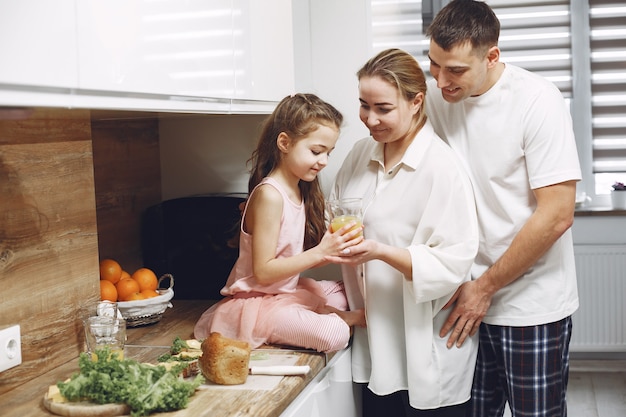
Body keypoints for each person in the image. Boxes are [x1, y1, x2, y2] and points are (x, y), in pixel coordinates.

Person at [425, 1, 582, 416]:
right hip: (463, 301)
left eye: (455, 70)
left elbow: (557, 215)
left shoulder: (537, 100)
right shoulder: (438, 96)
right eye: (433, 65)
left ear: (492, 56)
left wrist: (485, 288)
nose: (441, 81)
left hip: (532, 304)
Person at [328, 48, 479, 416]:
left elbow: (453, 260)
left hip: (426, 348)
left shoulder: (441, 168)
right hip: (372, 342)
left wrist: (379, 251)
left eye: (383, 108)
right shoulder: (360, 154)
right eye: (364, 105)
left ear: (416, 102)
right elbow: (333, 214)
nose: (370, 118)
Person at [193, 93, 365, 353]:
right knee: (334, 333)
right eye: (316, 151)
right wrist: (320, 252)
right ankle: (332, 320)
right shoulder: (270, 195)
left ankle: (319, 315)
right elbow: (263, 272)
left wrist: (332, 252)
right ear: (284, 142)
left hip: (284, 293)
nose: (324, 161)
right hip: (257, 303)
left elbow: (289, 257)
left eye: (329, 153)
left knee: (347, 290)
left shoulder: (299, 189)